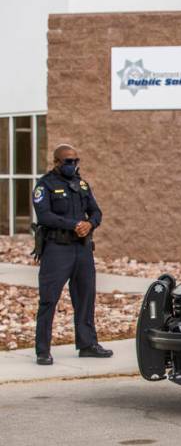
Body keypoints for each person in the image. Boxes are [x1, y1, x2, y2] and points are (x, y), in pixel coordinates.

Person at [32, 144, 113, 365]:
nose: (73, 165)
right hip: (57, 249)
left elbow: (96, 211)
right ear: (56, 162)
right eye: (69, 162)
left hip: (82, 248)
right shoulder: (45, 185)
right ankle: (43, 350)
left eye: (76, 161)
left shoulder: (81, 184)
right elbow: (44, 216)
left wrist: (89, 224)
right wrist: (73, 224)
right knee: (48, 299)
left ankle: (87, 344)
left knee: (86, 297)